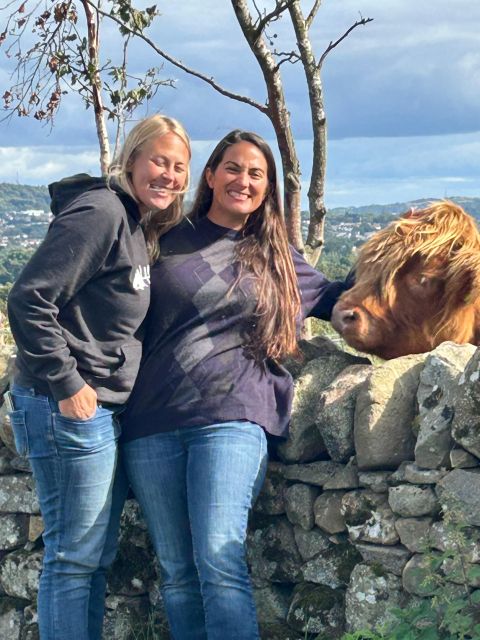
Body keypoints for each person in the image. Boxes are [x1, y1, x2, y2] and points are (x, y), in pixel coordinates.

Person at [121, 130, 349, 640]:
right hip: (151, 424)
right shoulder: (162, 243)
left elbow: (342, 303)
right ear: (209, 175)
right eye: (232, 168)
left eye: (255, 174)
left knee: (218, 562)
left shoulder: (275, 256)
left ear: (267, 188)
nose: (242, 181)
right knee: (177, 574)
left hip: (232, 419)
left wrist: (408, 269)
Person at [6, 114, 191, 640]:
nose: (169, 175)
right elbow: (29, 300)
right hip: (65, 405)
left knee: (92, 556)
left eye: (179, 167)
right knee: (73, 556)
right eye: (159, 161)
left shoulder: (136, 223)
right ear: (131, 159)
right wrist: (68, 384)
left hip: (102, 408)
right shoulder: (102, 211)